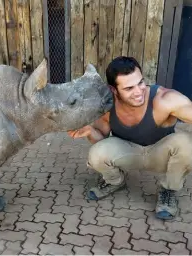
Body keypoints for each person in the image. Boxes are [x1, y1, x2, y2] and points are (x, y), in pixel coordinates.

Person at [68, 56, 192, 220]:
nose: (138, 91)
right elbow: (102, 142)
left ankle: (169, 190)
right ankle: (114, 181)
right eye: (129, 88)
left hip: (160, 154)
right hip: (129, 152)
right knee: (96, 153)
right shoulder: (108, 107)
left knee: (186, 144)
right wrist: (90, 131)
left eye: (140, 83)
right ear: (114, 90)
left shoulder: (165, 99)